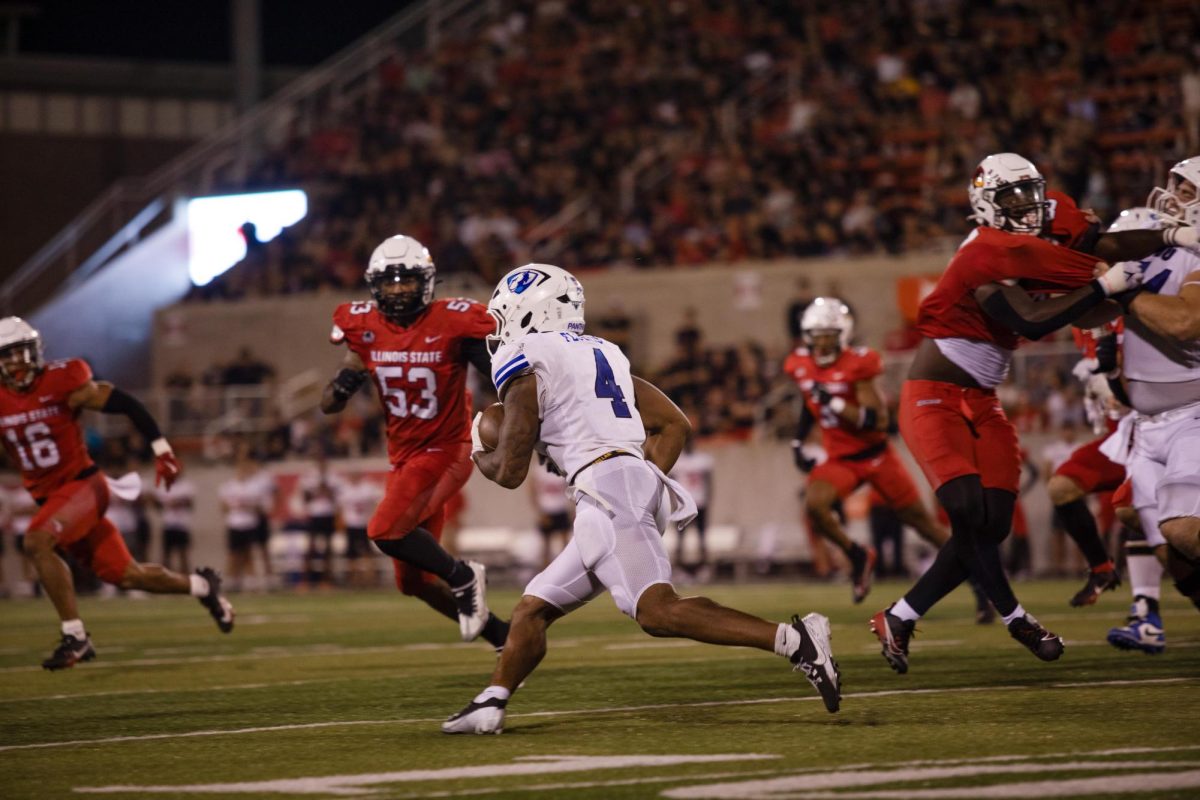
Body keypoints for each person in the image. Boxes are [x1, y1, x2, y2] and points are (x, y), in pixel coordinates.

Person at [442, 264, 840, 735]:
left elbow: (508, 472)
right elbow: (675, 424)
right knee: (533, 609)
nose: (501, 326)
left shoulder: (525, 352)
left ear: (529, 310)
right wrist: (638, 479)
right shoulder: (602, 350)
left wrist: (477, 448)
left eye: (506, 313)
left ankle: (797, 641)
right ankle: (491, 701)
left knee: (656, 610)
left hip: (607, 489)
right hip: (625, 482)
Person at [869, 152, 1195, 673]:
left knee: (992, 523)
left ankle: (901, 616)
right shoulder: (982, 253)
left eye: (1030, 193)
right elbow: (1032, 321)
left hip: (983, 398)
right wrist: (1103, 287)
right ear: (984, 206)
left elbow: (1106, 245)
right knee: (968, 512)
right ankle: (1017, 618)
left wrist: (1174, 238)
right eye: (1011, 198)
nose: (1025, 205)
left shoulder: (1054, 218)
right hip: (934, 393)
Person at [0, 317, 234, 670]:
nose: (17, 362)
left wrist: (161, 449)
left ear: (36, 352)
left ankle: (75, 636)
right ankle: (203, 586)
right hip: (52, 500)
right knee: (127, 575)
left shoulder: (63, 381)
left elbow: (126, 403)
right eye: (8, 355)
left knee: (36, 541)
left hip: (83, 486)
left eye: (21, 352)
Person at [321, 234, 508, 648]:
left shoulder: (456, 320)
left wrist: (532, 429)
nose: (400, 288)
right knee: (414, 582)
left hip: (448, 449)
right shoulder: (362, 325)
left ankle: (463, 576)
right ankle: (504, 637)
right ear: (375, 285)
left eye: (408, 279)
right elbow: (330, 402)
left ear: (427, 281)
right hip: (404, 460)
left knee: (384, 530)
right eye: (391, 281)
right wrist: (342, 384)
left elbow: (503, 380)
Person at [785, 297, 949, 604]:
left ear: (842, 335)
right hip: (840, 459)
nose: (821, 343)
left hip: (876, 455)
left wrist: (833, 401)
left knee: (924, 524)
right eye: (816, 335)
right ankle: (857, 555)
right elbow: (810, 403)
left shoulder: (859, 363)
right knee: (815, 506)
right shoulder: (799, 364)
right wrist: (797, 441)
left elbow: (878, 421)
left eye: (828, 335)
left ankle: (982, 581)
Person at [1105, 157, 1200, 638]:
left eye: (1186, 191)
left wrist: (1121, 294)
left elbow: (1184, 323)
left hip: (1194, 413)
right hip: (1150, 424)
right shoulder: (1160, 247)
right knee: (1135, 516)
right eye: (1174, 186)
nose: (1170, 197)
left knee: (1183, 528)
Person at [299, 453, 343, 587]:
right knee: (311, 547)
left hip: (328, 513)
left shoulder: (334, 476)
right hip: (315, 513)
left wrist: (327, 491)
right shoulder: (309, 476)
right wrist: (317, 491)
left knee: (328, 548)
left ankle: (327, 579)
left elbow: (338, 496)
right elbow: (305, 496)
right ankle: (305, 579)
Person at [337, 470, 384, 587]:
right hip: (351, 524)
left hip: (364, 524)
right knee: (351, 553)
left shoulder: (367, 488)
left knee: (367, 552)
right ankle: (353, 578)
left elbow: (376, 503)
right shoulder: (345, 489)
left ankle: (370, 577)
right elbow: (340, 508)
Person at [528, 458, 571, 569]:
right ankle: (545, 571)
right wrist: (539, 511)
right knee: (546, 546)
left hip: (561, 508)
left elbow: (570, 489)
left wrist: (572, 509)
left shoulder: (563, 468)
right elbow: (532, 491)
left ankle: (566, 569)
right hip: (546, 510)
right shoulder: (539, 469)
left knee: (565, 544)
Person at [153, 474, 196, 574]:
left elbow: (190, 503)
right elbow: (157, 505)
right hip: (168, 523)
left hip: (182, 525)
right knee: (166, 556)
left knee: (183, 555)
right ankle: (166, 581)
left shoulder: (186, 486)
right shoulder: (162, 487)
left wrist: (177, 502)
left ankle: (186, 582)